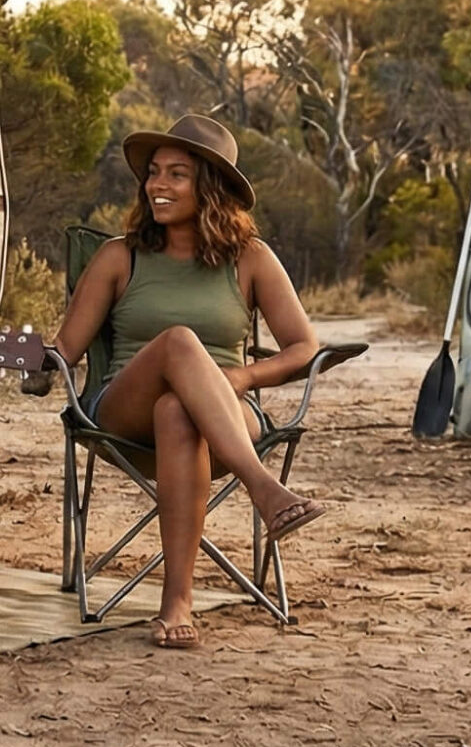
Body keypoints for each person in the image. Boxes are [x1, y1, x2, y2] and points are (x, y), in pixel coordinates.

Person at [49, 114, 329, 651]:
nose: (157, 184)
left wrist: (242, 376)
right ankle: (263, 488)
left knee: (178, 410)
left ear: (211, 187)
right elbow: (65, 349)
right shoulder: (119, 256)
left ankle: (177, 601)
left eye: (176, 174)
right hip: (124, 413)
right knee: (178, 343)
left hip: (223, 415)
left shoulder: (250, 259)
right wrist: (35, 365)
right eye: (154, 172)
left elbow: (303, 347)